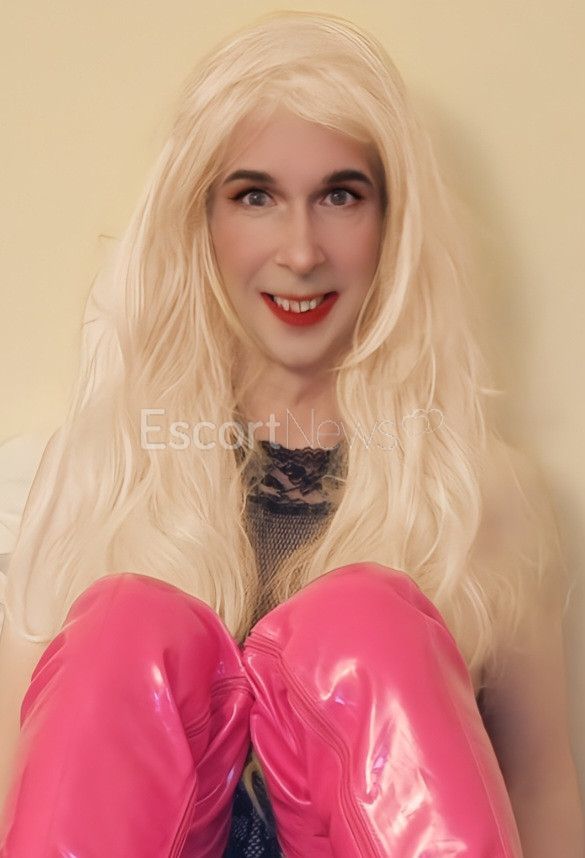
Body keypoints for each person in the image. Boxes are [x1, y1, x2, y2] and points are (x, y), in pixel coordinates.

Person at [0, 11, 582, 857]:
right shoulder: (93, 470)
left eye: (340, 196)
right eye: (255, 197)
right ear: (201, 222)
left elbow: (540, 787)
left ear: (392, 222)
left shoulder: (480, 492)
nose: (301, 252)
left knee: (369, 629)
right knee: (126, 630)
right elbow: (21, 780)